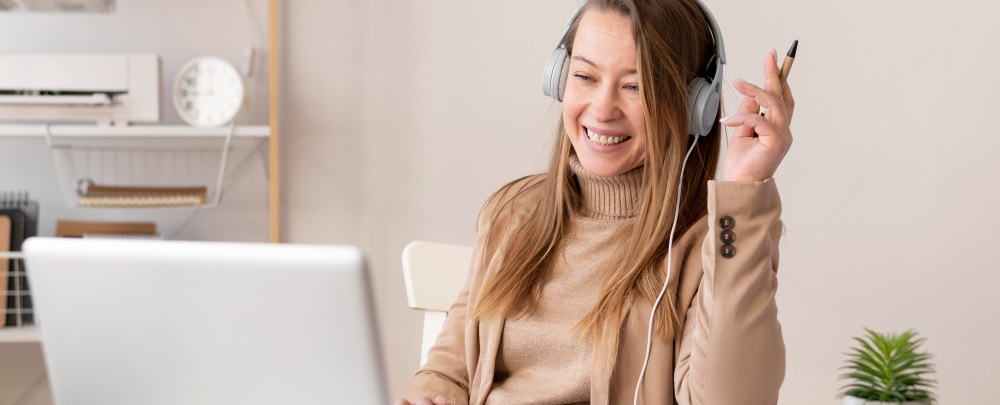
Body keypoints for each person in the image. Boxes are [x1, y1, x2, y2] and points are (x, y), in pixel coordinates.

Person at [396, 0, 794, 403]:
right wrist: (432, 395)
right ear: (559, 79)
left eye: (635, 86)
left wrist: (744, 187)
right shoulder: (511, 213)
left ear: (694, 106)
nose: (602, 109)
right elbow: (450, 371)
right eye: (585, 76)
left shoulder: (714, 240)